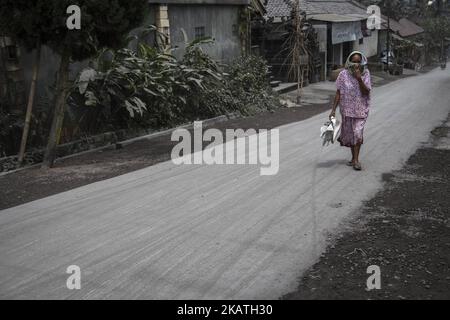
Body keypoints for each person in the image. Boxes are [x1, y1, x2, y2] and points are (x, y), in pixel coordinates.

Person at [329, 51, 372, 171]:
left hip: (361, 110)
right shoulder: (343, 75)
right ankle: (353, 158)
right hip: (347, 110)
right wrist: (333, 110)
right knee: (351, 134)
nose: (356, 64)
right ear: (349, 61)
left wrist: (359, 79)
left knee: (357, 133)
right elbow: (338, 92)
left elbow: (366, 91)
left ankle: (356, 161)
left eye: (359, 61)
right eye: (354, 61)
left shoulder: (366, 73)